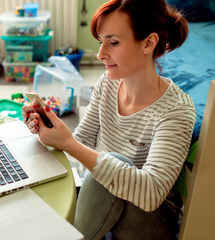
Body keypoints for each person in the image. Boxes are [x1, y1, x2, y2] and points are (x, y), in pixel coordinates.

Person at [22, 0, 196, 239]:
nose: (101, 54)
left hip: (150, 219)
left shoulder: (176, 110)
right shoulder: (108, 82)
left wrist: (70, 144)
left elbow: (152, 192)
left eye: (113, 42)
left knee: (108, 163)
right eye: (100, 42)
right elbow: (81, 139)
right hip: (106, 196)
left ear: (148, 42)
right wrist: (51, 132)